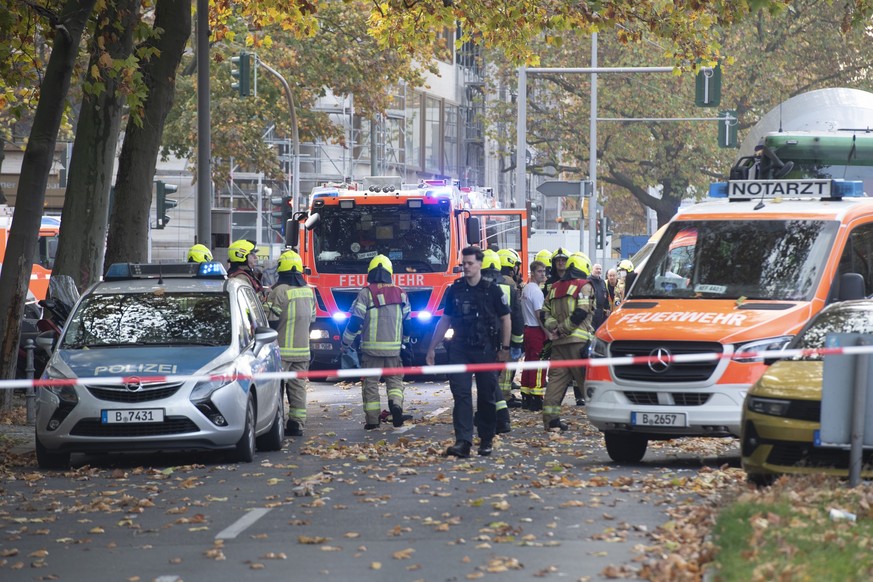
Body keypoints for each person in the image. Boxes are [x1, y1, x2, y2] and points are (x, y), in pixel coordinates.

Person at [426, 246, 511, 458]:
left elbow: (505, 318)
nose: (466, 267)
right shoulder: (454, 290)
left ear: (480, 264)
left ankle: (486, 439)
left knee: (486, 396)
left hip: (485, 350)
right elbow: (445, 320)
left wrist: (505, 348)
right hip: (460, 349)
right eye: (463, 263)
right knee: (461, 395)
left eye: (470, 263)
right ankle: (463, 441)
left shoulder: (492, 290)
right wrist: (431, 348)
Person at [342, 255, 412, 430]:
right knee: (395, 381)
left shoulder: (366, 293)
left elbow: (355, 322)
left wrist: (345, 343)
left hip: (371, 351)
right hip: (394, 350)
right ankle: (396, 405)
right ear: (390, 273)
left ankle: (373, 421)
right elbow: (408, 323)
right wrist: (405, 343)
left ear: (370, 273)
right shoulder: (401, 292)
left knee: (371, 384)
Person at [264, 249, 315, 436]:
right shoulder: (309, 292)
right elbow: (312, 320)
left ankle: (273, 424)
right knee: (298, 388)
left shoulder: (279, 291)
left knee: (275, 388)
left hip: (280, 352)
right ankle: (297, 424)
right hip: (303, 351)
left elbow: (270, 322)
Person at [541, 253, 595, 431]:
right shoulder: (584, 286)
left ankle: (551, 420)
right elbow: (582, 312)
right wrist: (563, 328)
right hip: (579, 343)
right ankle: (600, 421)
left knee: (556, 381)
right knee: (587, 382)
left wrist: (554, 328)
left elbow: (544, 313)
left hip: (559, 344)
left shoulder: (555, 287)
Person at [481, 249, 514, 434]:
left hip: (485, 341)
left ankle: (501, 418)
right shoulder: (508, 286)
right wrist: (515, 343)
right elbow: (514, 317)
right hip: (501, 340)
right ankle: (497, 417)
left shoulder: (480, 286)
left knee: (490, 380)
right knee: (490, 380)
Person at [496, 248, 525, 408]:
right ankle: (504, 397)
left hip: (493, 331)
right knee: (506, 369)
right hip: (507, 331)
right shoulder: (510, 283)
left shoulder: (493, 280)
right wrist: (518, 340)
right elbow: (516, 313)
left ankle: (500, 396)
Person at [520, 259, 551, 411]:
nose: (543, 274)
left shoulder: (526, 289)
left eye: (544, 271)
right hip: (536, 330)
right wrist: (548, 334)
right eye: (540, 271)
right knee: (539, 364)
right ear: (532, 273)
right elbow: (540, 315)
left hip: (528, 329)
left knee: (529, 362)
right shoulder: (536, 291)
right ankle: (537, 398)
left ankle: (526, 394)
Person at [589, 263, 610, 330]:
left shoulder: (602, 282)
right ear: (592, 270)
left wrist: (607, 308)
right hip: (591, 312)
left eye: (600, 269)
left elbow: (606, 296)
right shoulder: (588, 281)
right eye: (597, 269)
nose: (598, 270)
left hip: (601, 313)